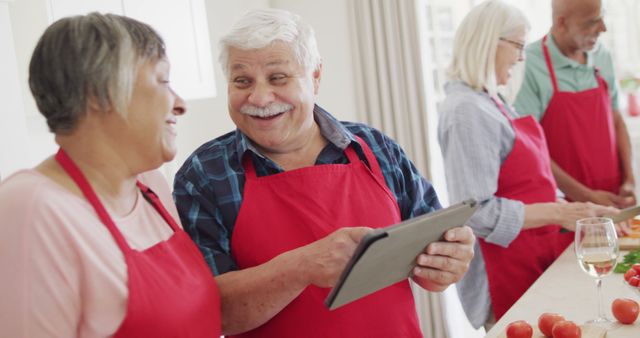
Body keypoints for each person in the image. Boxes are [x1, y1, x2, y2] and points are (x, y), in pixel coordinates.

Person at [173, 8, 475, 338]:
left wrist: (450, 260)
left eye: (278, 78)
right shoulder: (203, 174)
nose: (258, 97)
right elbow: (214, 314)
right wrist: (301, 267)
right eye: (242, 81)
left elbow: (431, 269)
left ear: (315, 76)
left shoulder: (376, 147)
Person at [0, 13, 221, 337]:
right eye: (162, 81)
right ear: (98, 93)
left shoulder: (152, 188)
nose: (180, 104)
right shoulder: (30, 207)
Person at [437, 0, 618, 329]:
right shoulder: (465, 111)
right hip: (504, 271)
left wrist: (581, 213)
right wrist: (561, 212)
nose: (522, 57)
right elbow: (475, 211)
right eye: (518, 46)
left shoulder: (492, 101)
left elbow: (532, 185)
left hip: (532, 257)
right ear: (489, 42)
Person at [514, 0, 635, 208]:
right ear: (562, 23)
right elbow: (532, 148)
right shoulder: (530, 63)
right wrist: (586, 197)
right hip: (567, 205)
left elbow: (616, 120)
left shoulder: (602, 56)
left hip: (613, 198)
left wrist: (630, 180)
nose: (603, 28)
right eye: (592, 22)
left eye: (602, 17)